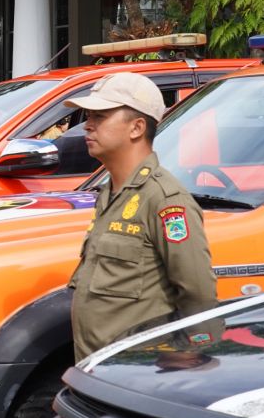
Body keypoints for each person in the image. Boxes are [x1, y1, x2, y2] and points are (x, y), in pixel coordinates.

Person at [64, 71, 217, 360]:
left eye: (101, 116)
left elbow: (197, 291)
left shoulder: (165, 199)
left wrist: (192, 354)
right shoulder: (111, 193)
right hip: (97, 372)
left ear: (136, 128)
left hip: (135, 374)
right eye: (89, 116)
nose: (88, 126)